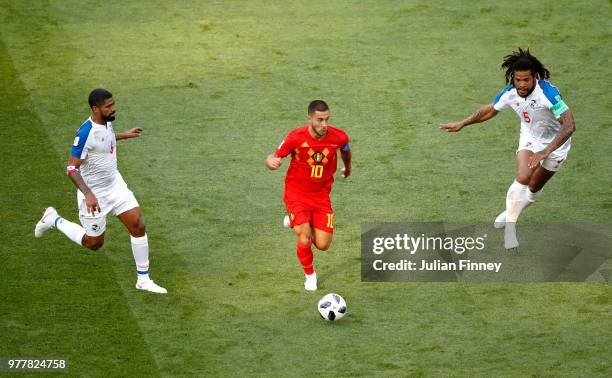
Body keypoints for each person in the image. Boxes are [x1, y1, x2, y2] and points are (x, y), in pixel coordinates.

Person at [440, 48, 576, 249]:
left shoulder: (549, 94)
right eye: (518, 79)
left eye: (526, 80)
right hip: (530, 138)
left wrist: (545, 152)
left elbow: (569, 126)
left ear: (534, 78)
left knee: (534, 189)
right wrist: (463, 123)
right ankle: (510, 229)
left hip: (556, 146)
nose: (521, 84)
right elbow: (490, 110)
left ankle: (511, 211)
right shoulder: (510, 93)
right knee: (523, 176)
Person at [34, 88, 167, 294]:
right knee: (94, 243)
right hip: (94, 194)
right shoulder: (85, 133)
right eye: (109, 106)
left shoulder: (106, 121)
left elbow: (107, 139)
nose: (113, 108)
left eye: (113, 104)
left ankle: (143, 279)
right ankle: (54, 220)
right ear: (96, 109)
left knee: (138, 225)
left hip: (115, 185)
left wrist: (125, 135)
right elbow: (71, 168)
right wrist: (88, 194)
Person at [266, 100, 352, 291]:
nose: (324, 125)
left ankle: (294, 220)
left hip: (321, 195)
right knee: (304, 234)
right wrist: (270, 161)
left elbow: (345, 149)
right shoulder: (295, 137)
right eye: (320, 120)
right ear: (310, 118)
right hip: (296, 192)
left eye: (327, 120)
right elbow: (274, 156)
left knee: (322, 244)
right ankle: (310, 275)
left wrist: (348, 167)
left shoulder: (339, 137)